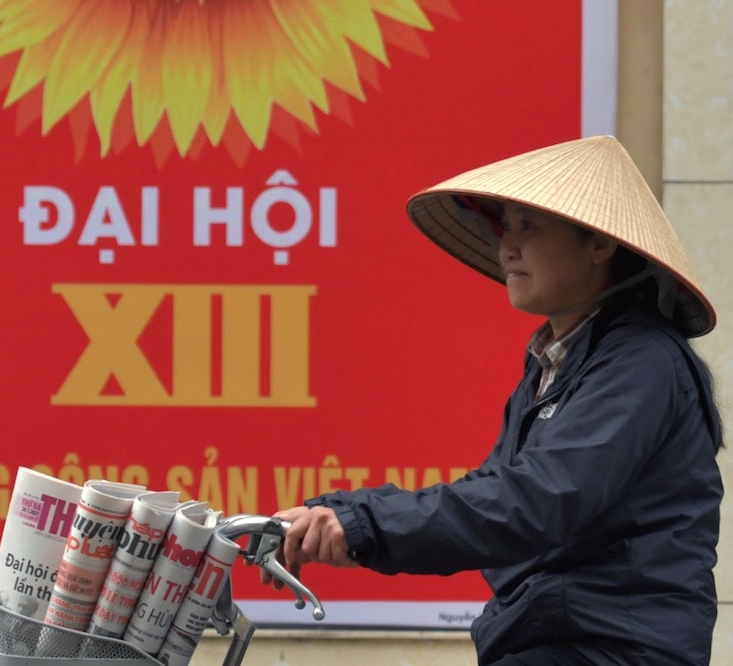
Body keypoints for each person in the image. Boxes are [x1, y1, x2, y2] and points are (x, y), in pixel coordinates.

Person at [266, 136, 724, 665]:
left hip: (605, 649)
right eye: (504, 225)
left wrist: (365, 523)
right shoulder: (554, 361)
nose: (507, 246)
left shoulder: (641, 361)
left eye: (529, 226)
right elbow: (493, 490)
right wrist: (350, 519)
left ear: (598, 243)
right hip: (550, 638)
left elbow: (537, 500)